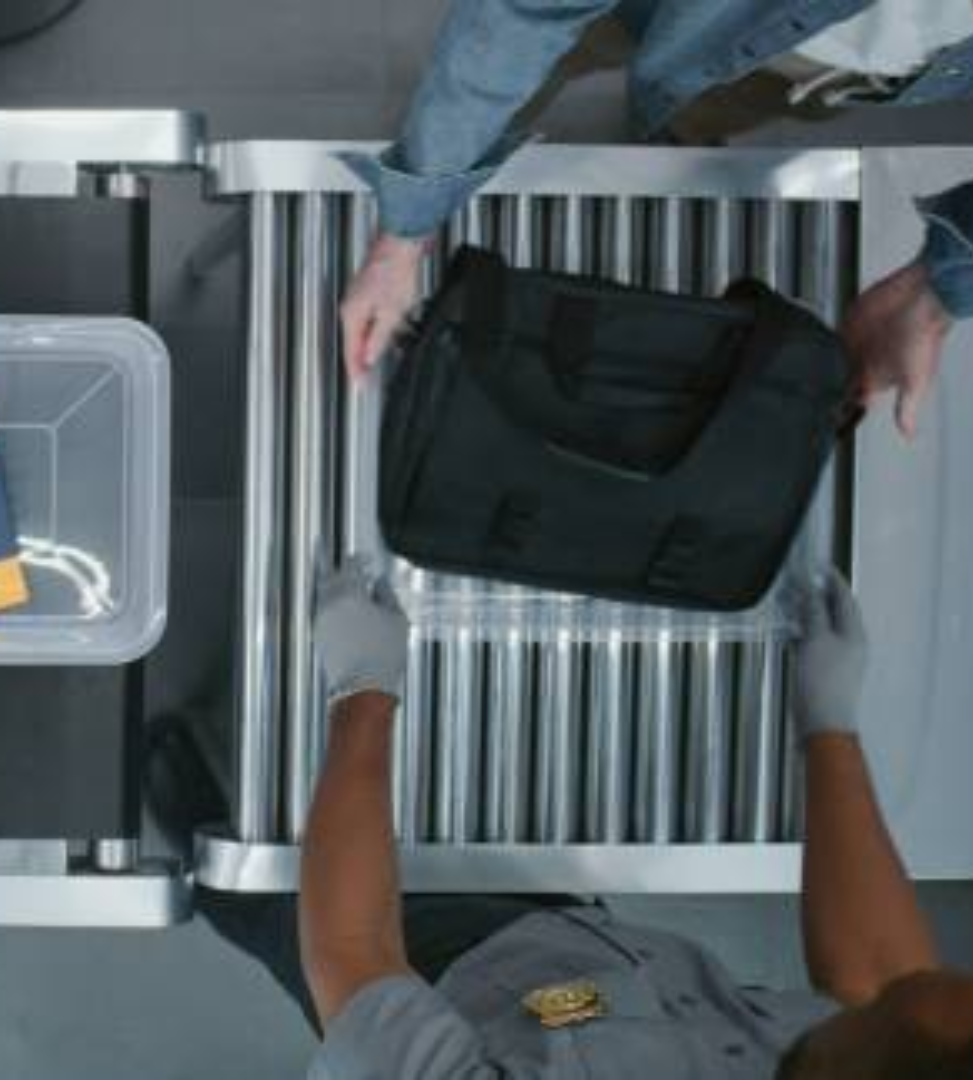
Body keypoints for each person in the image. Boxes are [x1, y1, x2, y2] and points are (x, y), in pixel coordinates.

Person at [226, 563, 973, 1079]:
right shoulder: (880, 1045)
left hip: (419, 954)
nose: (894, 988)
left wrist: (361, 688)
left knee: (218, 801)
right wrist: (831, 725)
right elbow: (879, 980)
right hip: (586, 956)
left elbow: (355, 956)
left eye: (879, 1013)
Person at [336, 0, 973, 439]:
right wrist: (407, 227)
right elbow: (528, 14)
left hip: (830, 69)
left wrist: (942, 290)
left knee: (696, 111)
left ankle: (662, 126)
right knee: (528, 63)